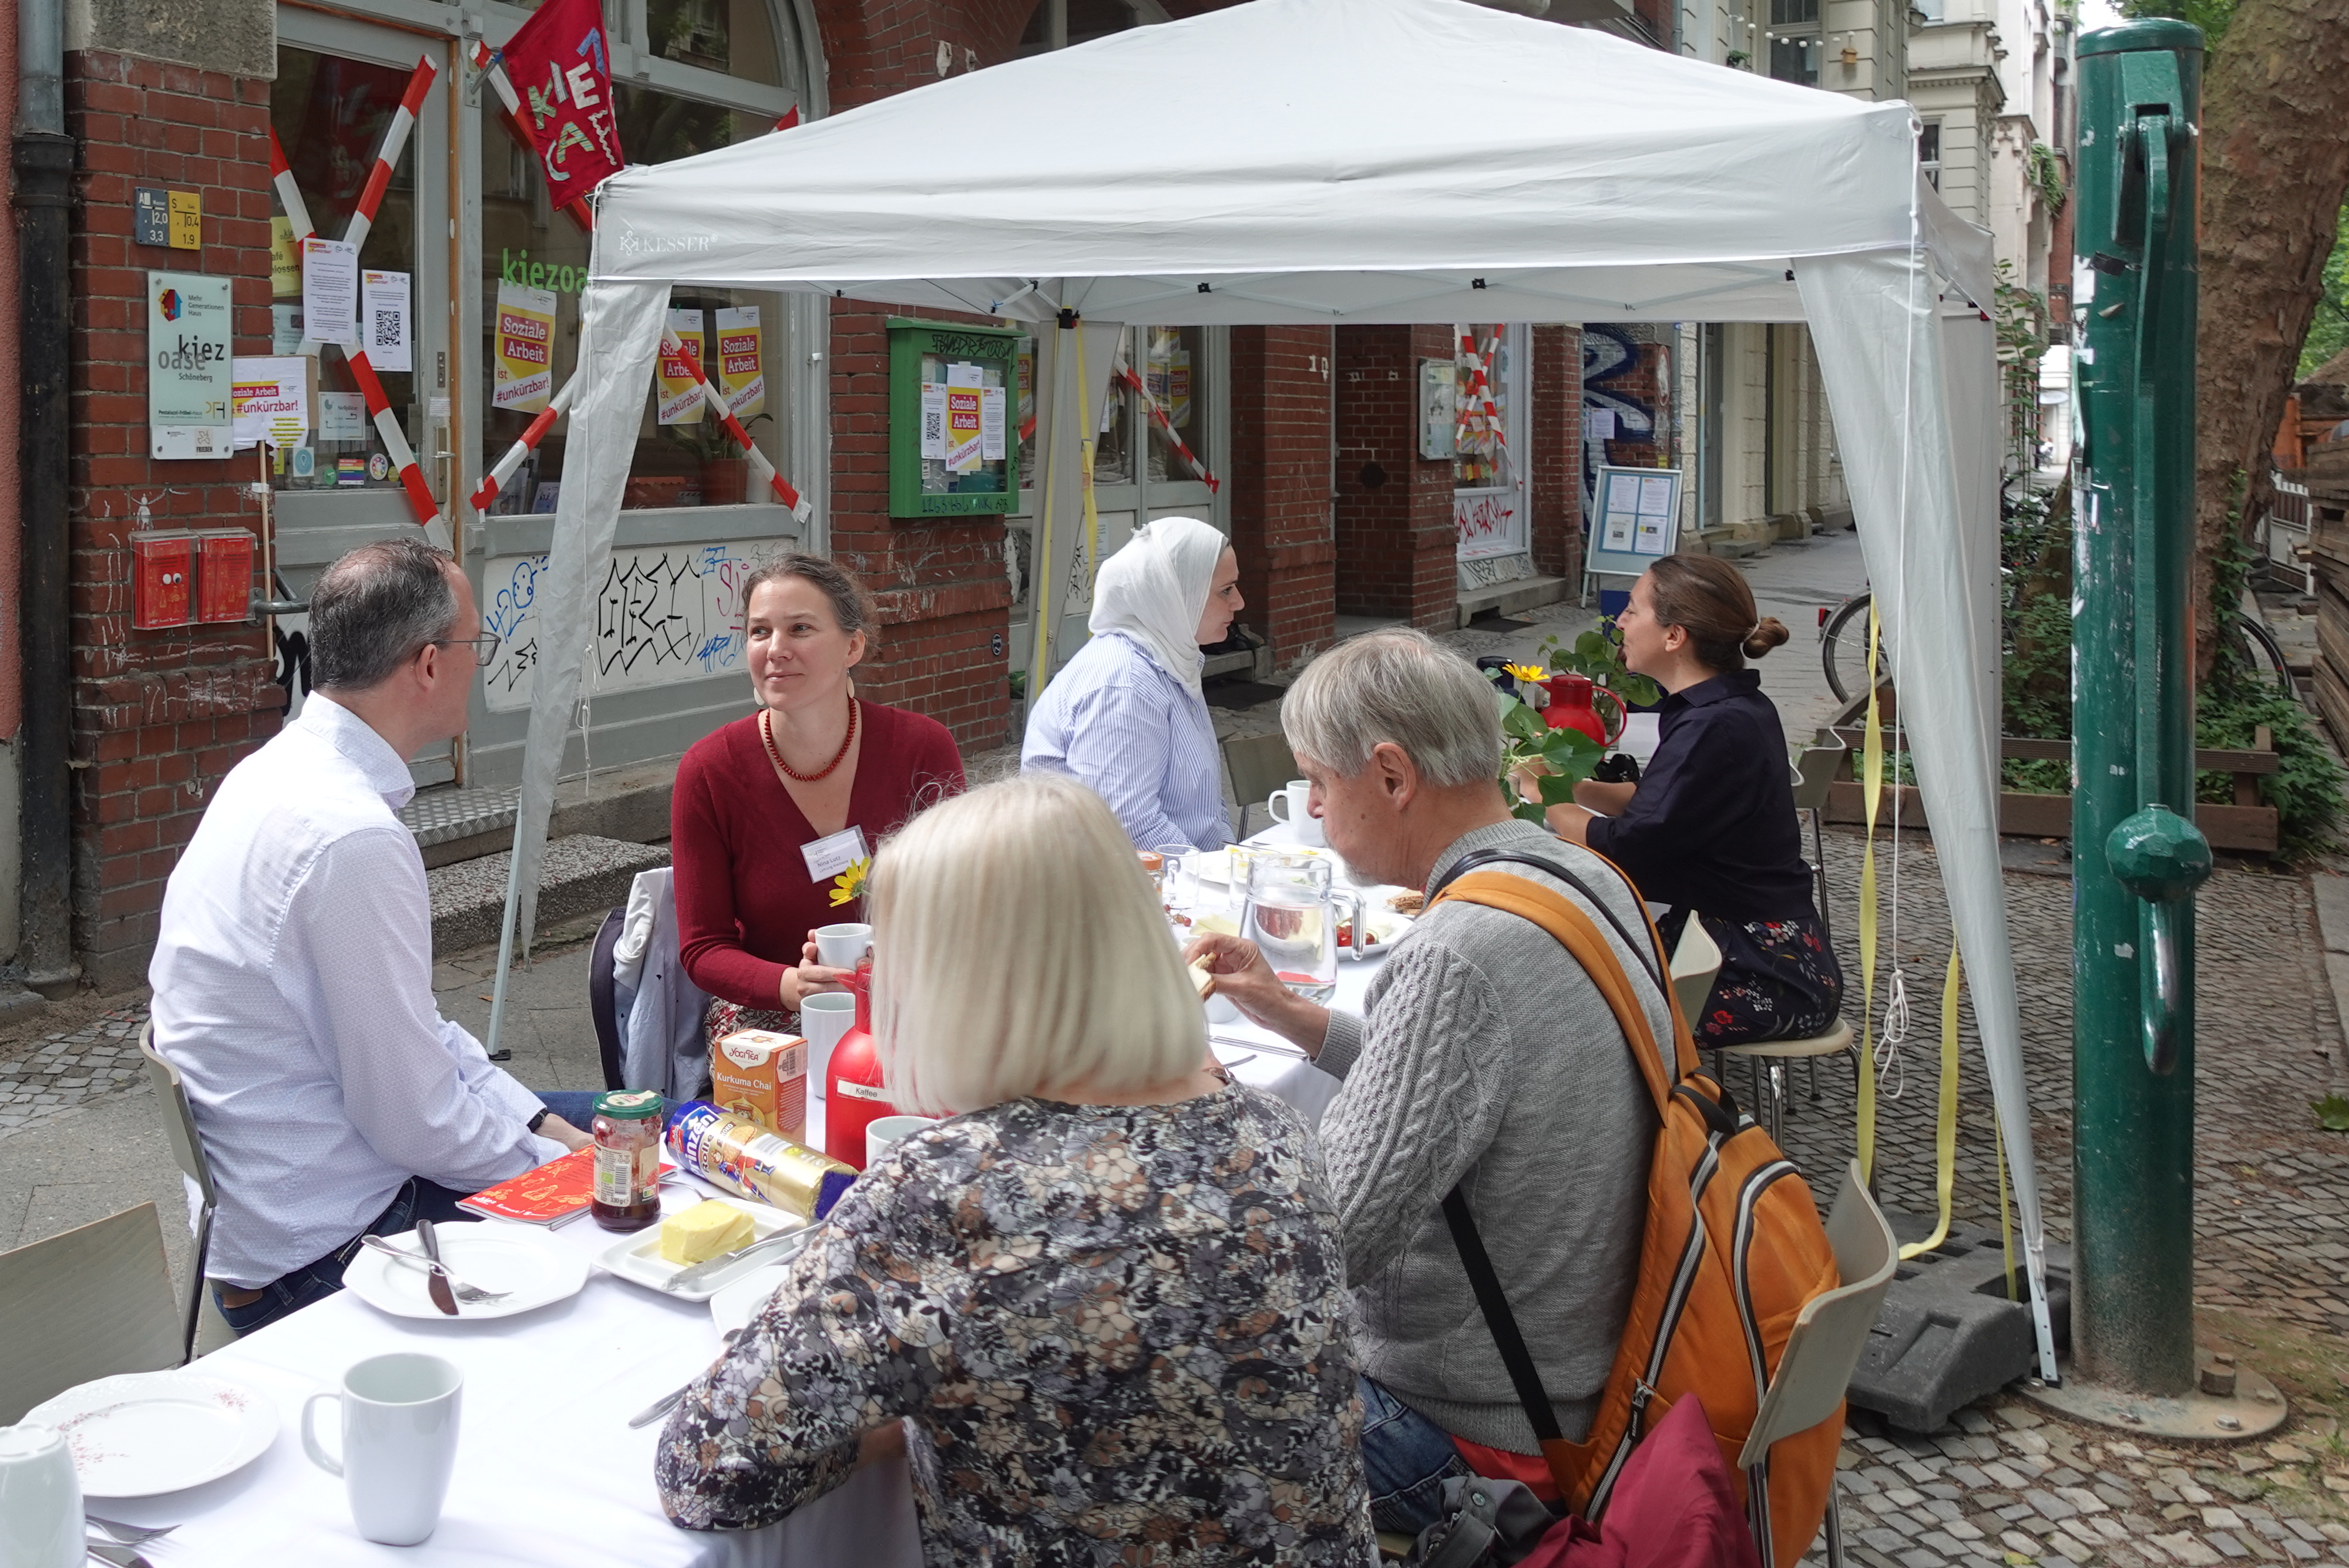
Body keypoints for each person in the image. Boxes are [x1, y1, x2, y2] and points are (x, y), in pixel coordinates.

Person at [658, 775, 1372, 1565]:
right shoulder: (1270, 1128)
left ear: (955, 984)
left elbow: (705, 1468)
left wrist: (890, 1426)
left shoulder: (946, 1189)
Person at [1188, 630, 1669, 1534]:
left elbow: (1318, 1251)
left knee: (1143, 1400)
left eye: (1320, 786)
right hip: (1599, 1362)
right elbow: (1476, 1077)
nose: (1317, 812)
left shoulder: (1459, 954)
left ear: (1394, 776)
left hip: (1488, 1432)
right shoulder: (1576, 874)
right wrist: (1292, 1017)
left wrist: (1204, 1103)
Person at [149, 539, 601, 1334]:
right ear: (428, 665)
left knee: (628, 1125)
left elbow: (409, 1037)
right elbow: (413, 1118)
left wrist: (536, 1123)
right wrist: (564, 1168)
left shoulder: (276, 772)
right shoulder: (349, 836)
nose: (480, 663)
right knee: (649, 1168)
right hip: (329, 1249)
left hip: (286, 1206)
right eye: (475, 645)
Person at [1538, 552, 1841, 1043]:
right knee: (1563, 979)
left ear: (1675, 636)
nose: (1621, 622)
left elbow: (1621, 846)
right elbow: (1658, 801)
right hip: (1750, 947)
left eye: (1634, 610)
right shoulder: (1728, 706)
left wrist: (1540, 793)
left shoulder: (1714, 724)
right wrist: (1574, 784)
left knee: (1564, 1012)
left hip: (1764, 969)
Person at [670, 552, 965, 1040]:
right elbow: (703, 949)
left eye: (800, 629)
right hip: (774, 1016)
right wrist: (793, 984)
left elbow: (964, 900)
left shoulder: (922, 748)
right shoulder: (709, 771)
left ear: (853, 647)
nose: (775, 649)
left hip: (911, 999)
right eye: (760, 632)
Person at [1020, 514, 1245, 852]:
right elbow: (1127, 824)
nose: (1239, 602)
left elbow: (1206, 809)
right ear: (1175, 594)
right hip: (1119, 893)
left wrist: (1229, 859)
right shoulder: (1124, 684)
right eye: (1225, 590)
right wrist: (1211, 878)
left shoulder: (1171, 660)